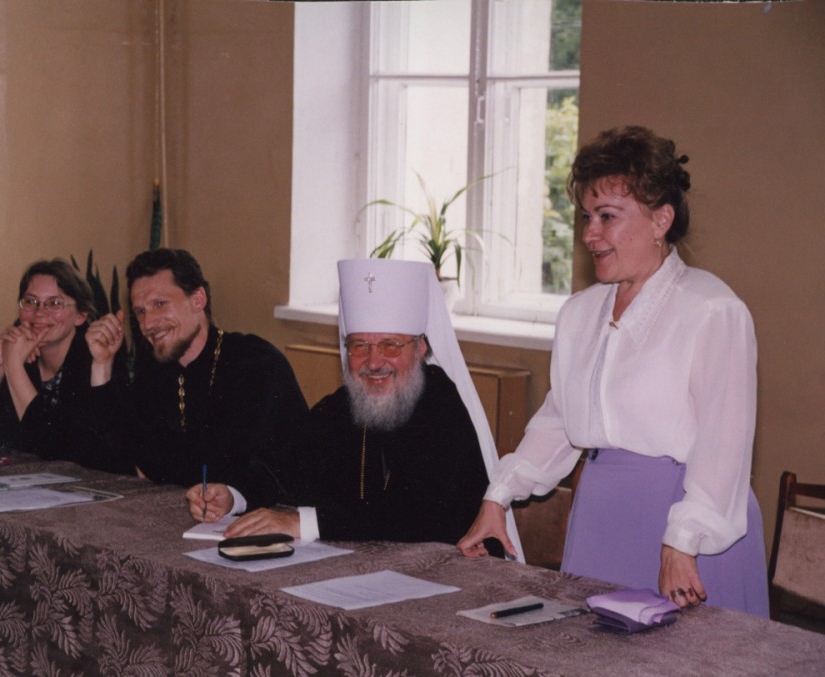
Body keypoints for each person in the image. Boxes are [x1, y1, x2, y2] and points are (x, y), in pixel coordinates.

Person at [457, 126, 769, 617]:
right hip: (601, 516)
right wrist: (498, 496)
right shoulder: (580, 313)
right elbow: (560, 424)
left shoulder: (711, 310)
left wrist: (684, 539)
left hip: (685, 525)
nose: (588, 234)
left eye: (607, 217)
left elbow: (723, 442)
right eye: (586, 217)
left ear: (660, 219)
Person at [206, 258, 525, 550]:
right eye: (360, 346)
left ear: (420, 347)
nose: (374, 362)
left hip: (448, 575)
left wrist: (300, 522)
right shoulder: (346, 404)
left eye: (390, 345)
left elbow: (417, 514)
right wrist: (234, 495)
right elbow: (285, 464)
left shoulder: (441, 405)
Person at [84, 248, 308, 510]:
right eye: (140, 311)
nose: (148, 324)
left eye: (160, 304)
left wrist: (157, 464)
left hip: (272, 517)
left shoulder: (255, 362)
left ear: (198, 299)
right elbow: (114, 460)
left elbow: (238, 469)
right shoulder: (157, 368)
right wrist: (101, 365)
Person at [0, 258, 132, 473]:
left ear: (80, 316)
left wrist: (13, 367)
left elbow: (57, 445)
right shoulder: (17, 351)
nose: (39, 313)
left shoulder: (96, 356)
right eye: (30, 301)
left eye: (54, 303)